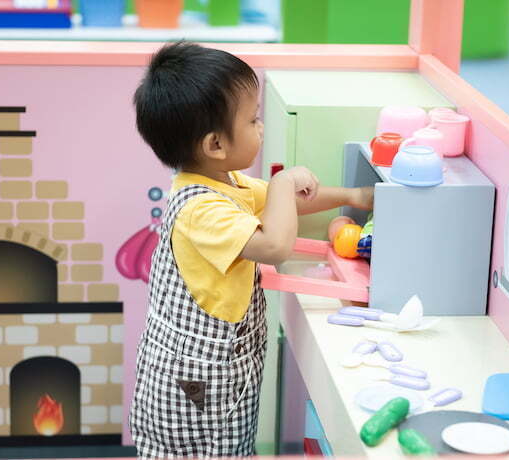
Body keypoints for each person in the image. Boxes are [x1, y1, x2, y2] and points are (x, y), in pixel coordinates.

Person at [129, 41, 373, 458]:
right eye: (253, 119)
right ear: (215, 145)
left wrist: (354, 194)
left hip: (224, 374)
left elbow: (290, 201)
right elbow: (275, 246)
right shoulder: (199, 209)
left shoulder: (227, 182)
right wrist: (280, 182)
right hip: (195, 386)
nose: (261, 128)